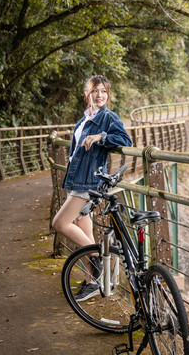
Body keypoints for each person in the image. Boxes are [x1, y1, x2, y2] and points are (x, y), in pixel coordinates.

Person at [52, 75, 132, 301]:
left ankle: (98, 257)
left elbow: (125, 139)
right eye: (95, 91)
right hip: (75, 179)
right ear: (87, 93)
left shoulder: (107, 117)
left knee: (60, 223)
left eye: (104, 91)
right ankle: (92, 282)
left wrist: (101, 136)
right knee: (84, 231)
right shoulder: (85, 118)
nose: (100, 95)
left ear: (108, 95)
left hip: (87, 182)